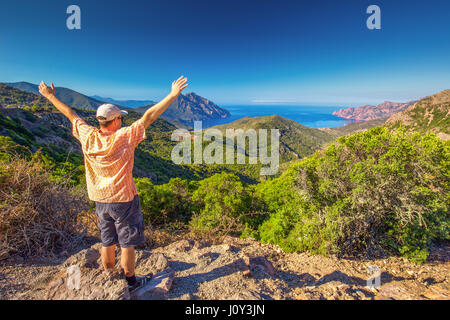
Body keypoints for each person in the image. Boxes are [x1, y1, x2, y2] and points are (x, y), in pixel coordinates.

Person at [38, 76, 189, 293]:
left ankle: (109, 275)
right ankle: (131, 281)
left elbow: (71, 114)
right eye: (121, 118)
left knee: (107, 240)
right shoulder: (124, 137)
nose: (123, 121)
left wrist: (50, 96)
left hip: (100, 199)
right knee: (127, 243)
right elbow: (149, 116)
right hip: (124, 199)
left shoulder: (88, 135)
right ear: (116, 120)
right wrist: (173, 95)